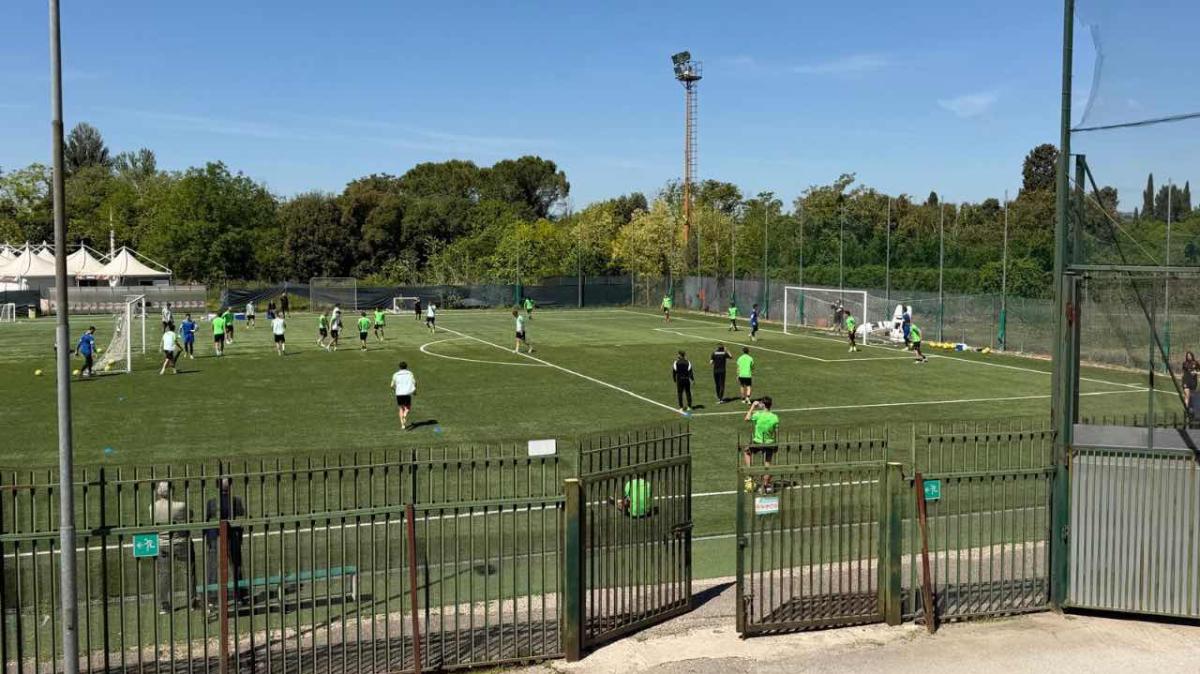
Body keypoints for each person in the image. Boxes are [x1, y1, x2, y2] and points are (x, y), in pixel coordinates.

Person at [151, 482, 198, 614]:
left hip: (163, 544)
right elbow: (191, 515)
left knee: (164, 575)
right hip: (181, 542)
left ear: (158, 492)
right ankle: (192, 602)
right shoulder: (180, 506)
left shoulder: (152, 507)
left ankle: (164, 605)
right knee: (189, 572)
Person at [204, 478, 247, 610]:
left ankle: (212, 598)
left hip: (215, 537)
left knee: (213, 568)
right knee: (235, 566)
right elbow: (241, 518)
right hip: (232, 537)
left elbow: (206, 522)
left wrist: (208, 539)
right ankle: (238, 596)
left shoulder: (212, 502)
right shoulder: (236, 501)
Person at [743, 397, 780, 492]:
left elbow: (746, 419)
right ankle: (766, 485)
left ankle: (750, 473)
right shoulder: (775, 417)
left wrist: (752, 407)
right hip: (770, 442)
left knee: (747, 452)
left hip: (758, 442)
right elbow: (776, 431)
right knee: (767, 463)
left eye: (760, 403)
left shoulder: (758, 415)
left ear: (763, 405)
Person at [390, 361, 416, 430]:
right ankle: (405, 415)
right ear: (406, 366)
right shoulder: (410, 373)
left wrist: (395, 390)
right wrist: (414, 391)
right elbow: (414, 382)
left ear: (399, 367)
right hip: (407, 393)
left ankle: (403, 425)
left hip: (399, 394)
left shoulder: (396, 374)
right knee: (408, 407)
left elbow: (391, 385)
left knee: (401, 408)